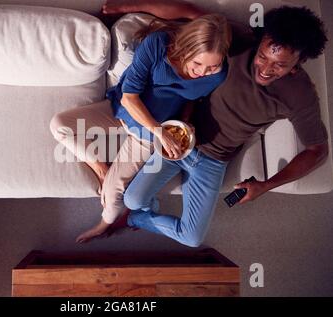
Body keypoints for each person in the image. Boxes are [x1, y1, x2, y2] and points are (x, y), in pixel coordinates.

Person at [103, 0, 330, 247]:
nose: (265, 69)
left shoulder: (301, 95)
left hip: (214, 160)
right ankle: (138, 212)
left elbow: (318, 151)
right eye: (263, 56)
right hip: (180, 138)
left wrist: (266, 185)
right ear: (261, 40)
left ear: (298, 63)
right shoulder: (237, 39)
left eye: (279, 65)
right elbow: (188, 12)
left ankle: (137, 221)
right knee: (132, 200)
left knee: (191, 238)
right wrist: (123, 7)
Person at [50, 13, 232, 242]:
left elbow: (192, 98)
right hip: (123, 110)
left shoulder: (218, 74)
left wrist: (185, 121)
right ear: (186, 47)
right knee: (59, 125)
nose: (203, 73)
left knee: (114, 198)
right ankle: (100, 169)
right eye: (197, 63)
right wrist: (158, 130)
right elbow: (129, 98)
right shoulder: (157, 44)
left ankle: (102, 226)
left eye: (212, 67)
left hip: (148, 135)